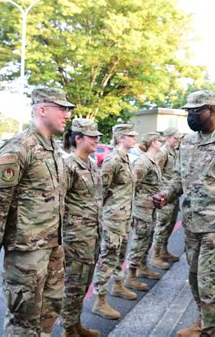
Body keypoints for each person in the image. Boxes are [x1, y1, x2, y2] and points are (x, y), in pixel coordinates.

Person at [153, 90, 215, 336]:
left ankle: (212, 332)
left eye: (197, 111)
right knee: (196, 281)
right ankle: (203, 321)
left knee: (213, 289)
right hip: (193, 227)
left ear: (212, 110)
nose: (191, 116)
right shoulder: (187, 142)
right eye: (189, 112)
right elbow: (178, 177)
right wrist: (165, 194)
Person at [0, 87, 73, 336]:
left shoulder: (53, 149)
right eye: (62, 108)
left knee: (51, 308)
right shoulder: (18, 148)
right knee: (23, 317)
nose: (67, 115)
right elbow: (0, 200)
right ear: (42, 109)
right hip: (26, 250)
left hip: (53, 245)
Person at [60, 118, 103, 337]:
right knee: (73, 285)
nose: (96, 140)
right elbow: (59, 202)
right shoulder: (68, 165)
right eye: (92, 137)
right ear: (78, 138)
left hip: (92, 235)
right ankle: (68, 329)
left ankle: (76, 323)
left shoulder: (92, 164)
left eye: (97, 137)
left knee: (84, 282)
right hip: (75, 237)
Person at [92, 124, 138, 320]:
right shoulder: (112, 161)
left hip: (125, 217)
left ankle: (118, 285)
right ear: (120, 138)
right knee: (107, 258)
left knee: (120, 255)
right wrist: (101, 218)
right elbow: (100, 191)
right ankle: (99, 300)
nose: (134, 138)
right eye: (130, 135)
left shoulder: (127, 159)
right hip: (112, 218)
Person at [125, 132, 164, 290]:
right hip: (142, 209)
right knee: (139, 241)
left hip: (150, 207)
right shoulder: (142, 162)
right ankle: (131, 276)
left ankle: (142, 267)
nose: (161, 143)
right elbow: (132, 185)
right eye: (159, 140)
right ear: (153, 142)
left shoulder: (151, 161)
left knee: (147, 239)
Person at [150, 127, 183, 270]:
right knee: (161, 227)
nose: (178, 140)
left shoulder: (175, 152)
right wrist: (159, 193)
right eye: (175, 138)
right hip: (164, 196)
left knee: (170, 225)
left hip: (173, 196)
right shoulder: (162, 153)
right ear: (168, 137)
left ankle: (163, 251)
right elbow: (155, 174)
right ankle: (155, 256)